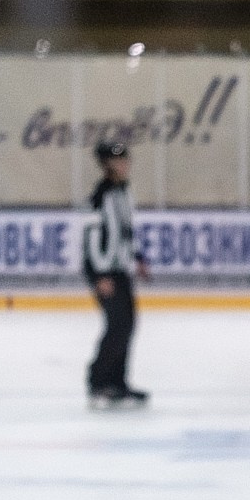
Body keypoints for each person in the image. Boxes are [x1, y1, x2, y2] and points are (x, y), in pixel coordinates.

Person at [83, 139, 148, 408]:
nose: (125, 164)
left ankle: (118, 383)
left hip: (119, 269)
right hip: (104, 271)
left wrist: (138, 258)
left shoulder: (124, 192)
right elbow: (93, 235)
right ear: (107, 164)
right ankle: (98, 383)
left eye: (126, 160)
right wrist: (100, 274)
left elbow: (125, 231)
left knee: (128, 325)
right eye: (118, 161)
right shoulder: (102, 194)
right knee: (117, 326)